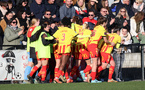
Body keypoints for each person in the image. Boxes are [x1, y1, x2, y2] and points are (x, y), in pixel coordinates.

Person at [80, 17, 112, 83]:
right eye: (106, 22)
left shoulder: (96, 27)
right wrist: (111, 42)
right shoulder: (102, 29)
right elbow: (106, 40)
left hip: (90, 44)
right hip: (93, 45)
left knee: (98, 62)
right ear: (104, 23)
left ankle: (88, 74)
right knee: (95, 63)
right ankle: (92, 78)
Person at [23, 18, 40, 84]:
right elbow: (30, 35)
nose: (39, 22)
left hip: (34, 48)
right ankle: (26, 78)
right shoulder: (32, 28)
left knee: (36, 63)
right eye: (38, 21)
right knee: (31, 63)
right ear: (35, 22)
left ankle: (35, 78)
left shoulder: (34, 28)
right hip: (31, 49)